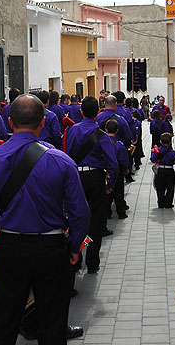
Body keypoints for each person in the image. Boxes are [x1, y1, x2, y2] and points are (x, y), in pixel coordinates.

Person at [0, 94, 90, 344]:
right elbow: (80, 213)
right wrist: (73, 248)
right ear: (42, 123)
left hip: (9, 246)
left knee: (2, 321)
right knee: (52, 322)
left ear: (9, 122)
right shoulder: (61, 160)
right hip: (51, 249)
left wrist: (2, 224)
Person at [65, 96, 118, 274]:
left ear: (81, 111)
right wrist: (110, 184)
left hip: (76, 177)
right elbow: (113, 163)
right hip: (95, 177)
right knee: (96, 220)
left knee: (75, 217)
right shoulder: (101, 135)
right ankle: (93, 262)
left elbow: (66, 155)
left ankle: (76, 257)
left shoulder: (71, 131)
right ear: (98, 112)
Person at [104, 119, 129, 219]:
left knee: (107, 193)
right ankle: (121, 212)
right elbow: (123, 158)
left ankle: (107, 213)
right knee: (119, 192)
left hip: (106, 170)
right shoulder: (119, 144)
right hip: (118, 170)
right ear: (117, 131)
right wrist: (126, 168)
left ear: (105, 130)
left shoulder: (103, 143)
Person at [150, 132, 175, 208]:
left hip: (160, 170)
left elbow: (153, 159)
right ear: (170, 142)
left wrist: (153, 153)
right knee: (170, 188)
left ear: (160, 141)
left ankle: (160, 203)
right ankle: (168, 203)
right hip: (169, 171)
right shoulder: (172, 152)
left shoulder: (157, 151)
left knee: (160, 188)